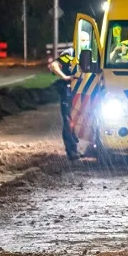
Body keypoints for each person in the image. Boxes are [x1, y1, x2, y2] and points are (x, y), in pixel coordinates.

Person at [47, 32, 90, 161]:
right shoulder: (70, 54)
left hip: (83, 92)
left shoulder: (88, 54)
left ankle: (87, 147)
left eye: (86, 40)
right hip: (68, 90)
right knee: (68, 121)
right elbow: (54, 65)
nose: (84, 43)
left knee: (83, 119)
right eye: (82, 40)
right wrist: (65, 77)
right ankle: (71, 150)